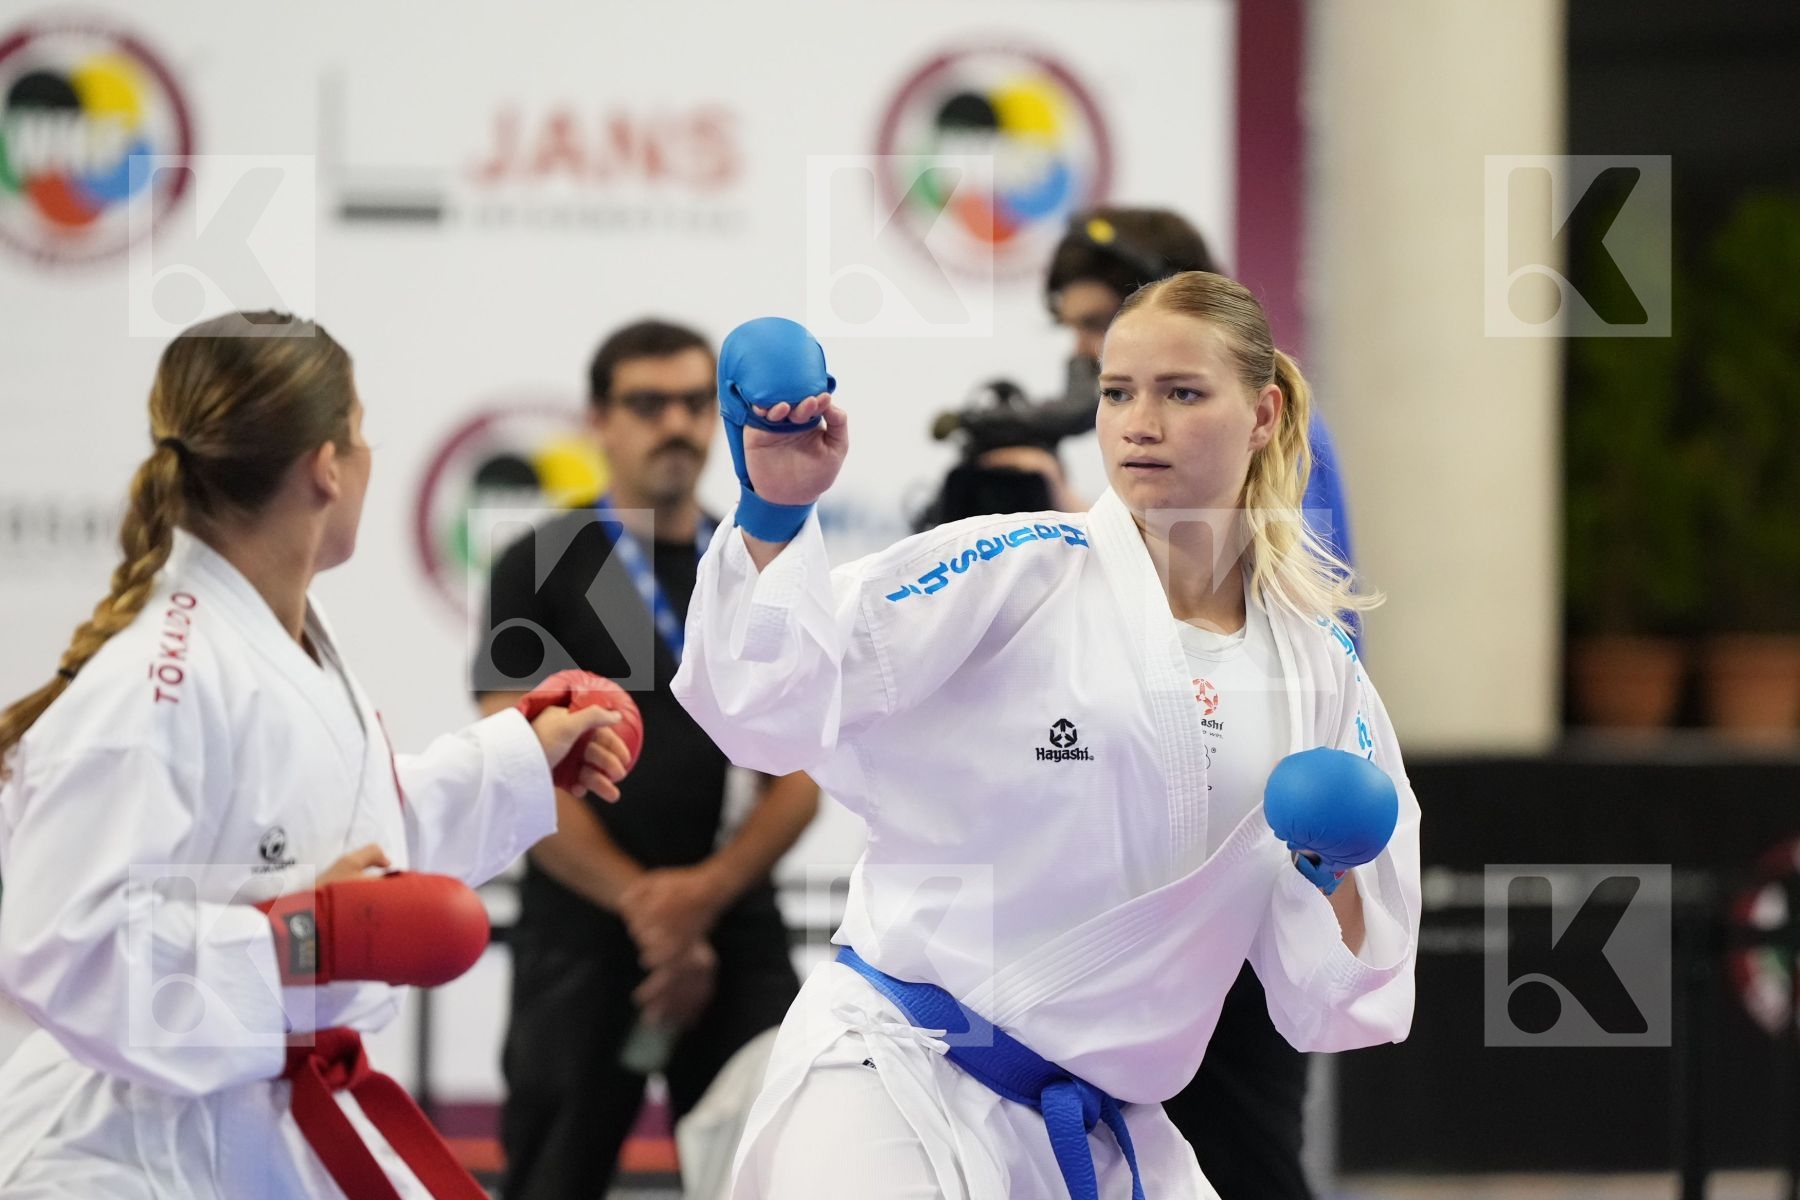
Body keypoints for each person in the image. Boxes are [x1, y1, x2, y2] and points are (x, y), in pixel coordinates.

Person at [672, 275, 1421, 1198]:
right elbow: (764, 711)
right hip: (900, 1077)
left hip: (1109, 1132)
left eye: (1181, 393)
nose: (1139, 422)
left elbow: (1335, 1004)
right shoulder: (1012, 570)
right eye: (1117, 393)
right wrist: (776, 516)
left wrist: (1330, 872)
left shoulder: (1318, 675)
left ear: (1262, 415)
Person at [0, 312, 630, 1198]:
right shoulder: (158, 678)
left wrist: (519, 759)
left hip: (253, 1132)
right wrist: (304, 940)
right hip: (121, 1159)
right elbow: (66, 948)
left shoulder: (276, 641)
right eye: (362, 435)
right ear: (328, 466)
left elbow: (329, 835)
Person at [1049, 206, 1355, 1198]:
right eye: (1106, 370)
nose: (1090, 355)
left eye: (1102, 323)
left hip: (1246, 864)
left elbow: (1293, 632)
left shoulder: (1264, 480)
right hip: (1120, 902)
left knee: (1245, 1160)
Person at [476, 319, 817, 1200]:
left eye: (699, 402)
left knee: (781, 1168)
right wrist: (645, 906)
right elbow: (517, 765)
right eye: (648, 403)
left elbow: (802, 773)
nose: (678, 423)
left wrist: (699, 900)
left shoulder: (751, 563)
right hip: (585, 923)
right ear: (599, 419)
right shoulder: (541, 564)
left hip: (732, 914)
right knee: (553, 1178)